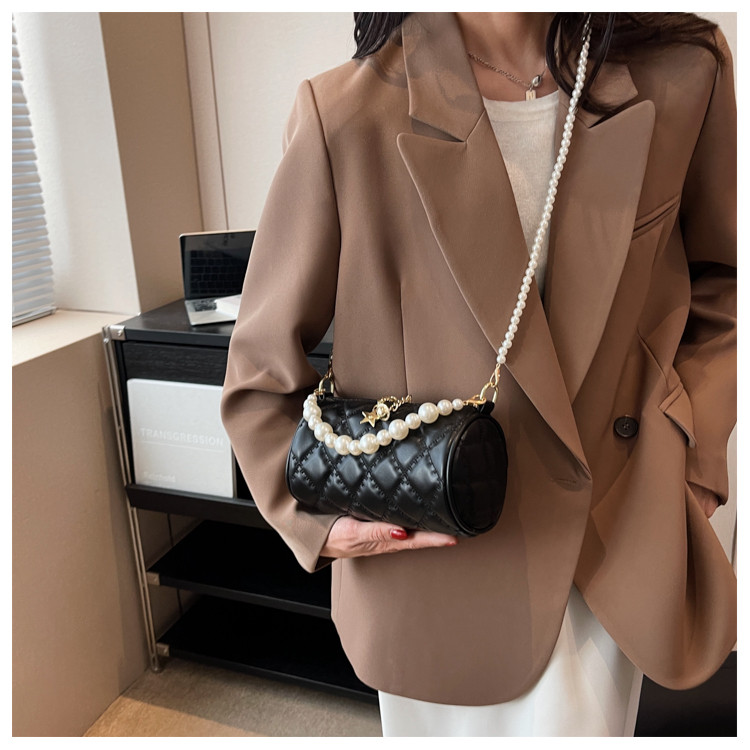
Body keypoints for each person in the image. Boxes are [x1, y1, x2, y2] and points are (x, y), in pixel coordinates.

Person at [221, 12, 736, 737]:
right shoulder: (346, 115)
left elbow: (724, 283)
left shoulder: (682, 73)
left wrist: (697, 458)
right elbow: (259, 372)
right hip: (437, 566)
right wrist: (319, 521)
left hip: (618, 540)